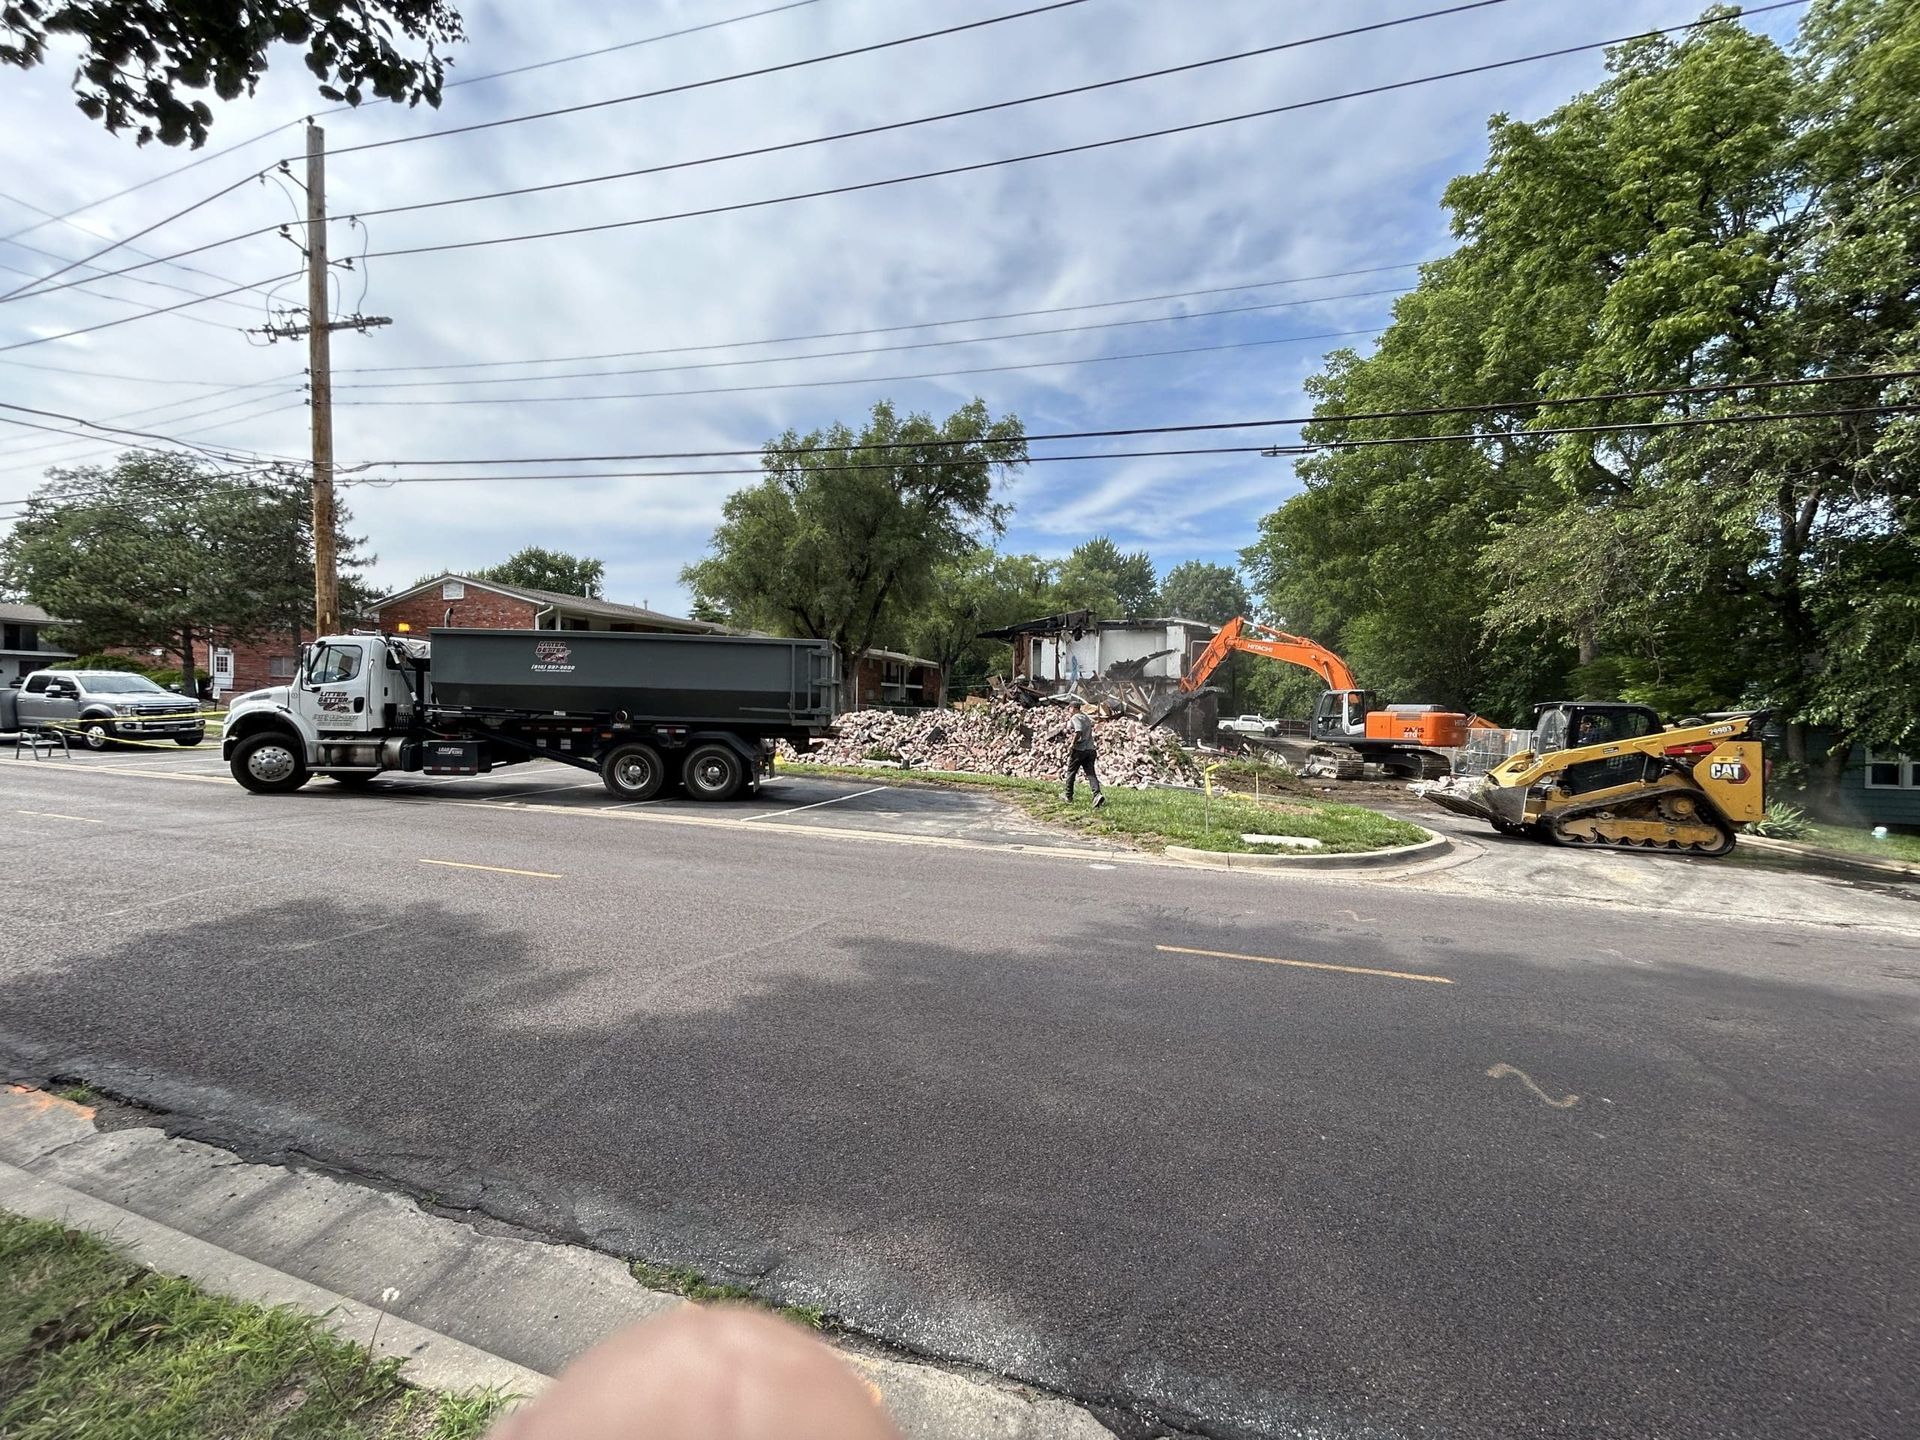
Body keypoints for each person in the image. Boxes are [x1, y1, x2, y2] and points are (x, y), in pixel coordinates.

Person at [1062, 698, 1105, 807]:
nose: (1068, 710)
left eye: (1069, 708)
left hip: (1079, 750)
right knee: (1091, 774)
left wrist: (1072, 744)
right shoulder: (1086, 717)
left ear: (1074, 708)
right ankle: (1097, 795)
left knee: (1071, 772)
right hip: (1090, 750)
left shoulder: (1075, 717)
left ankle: (1068, 796)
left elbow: (1078, 731)